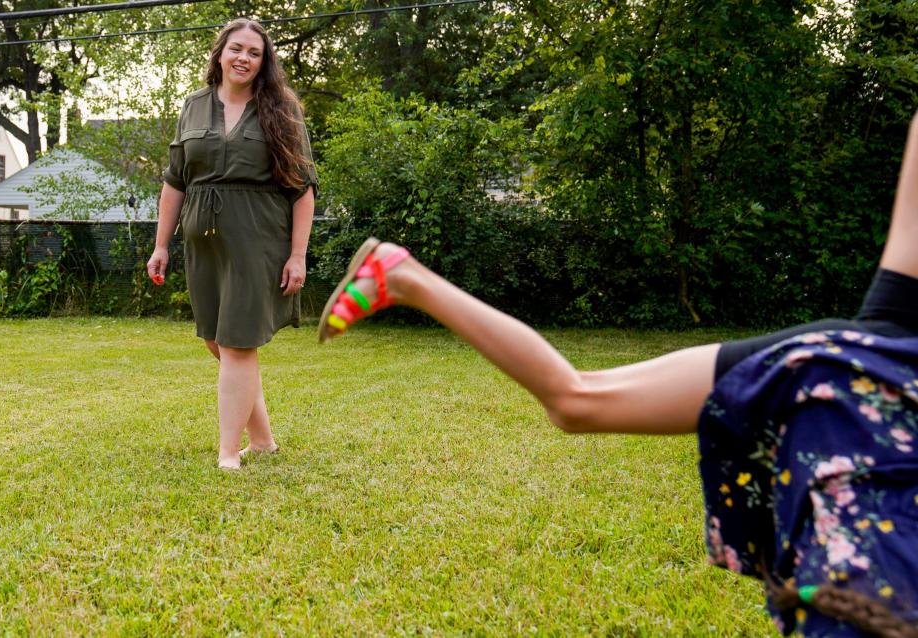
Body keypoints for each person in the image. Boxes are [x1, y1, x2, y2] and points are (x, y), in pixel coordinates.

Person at [317, 112, 918, 637]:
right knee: (580, 398)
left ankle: (403, 276)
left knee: (579, 399)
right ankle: (403, 277)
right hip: (873, 387)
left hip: (852, 365)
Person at [148, 18, 318, 470]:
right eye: (236, 48)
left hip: (257, 237)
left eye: (254, 53)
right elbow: (174, 182)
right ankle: (262, 441)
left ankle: (228, 453)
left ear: (264, 64)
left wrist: (297, 255)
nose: (244, 57)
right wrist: (160, 244)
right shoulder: (193, 106)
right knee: (216, 341)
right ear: (220, 53)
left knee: (239, 343)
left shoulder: (281, 110)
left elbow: (303, 191)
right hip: (202, 239)